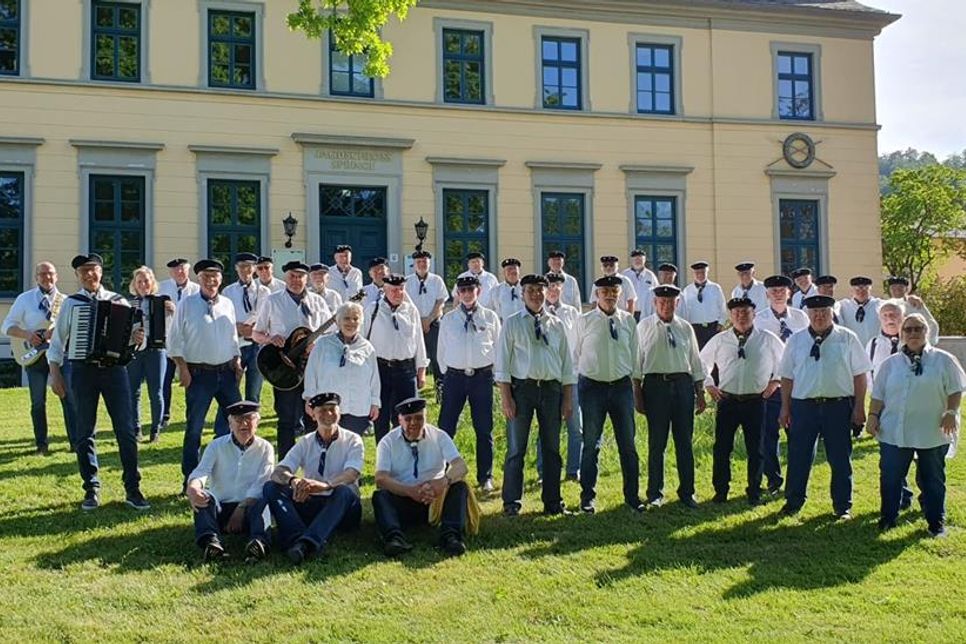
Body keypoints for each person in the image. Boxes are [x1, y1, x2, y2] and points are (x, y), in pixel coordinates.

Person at [47, 253, 149, 511]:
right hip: (82, 371)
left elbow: (135, 341)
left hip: (115, 371)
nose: (89, 275)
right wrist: (55, 373)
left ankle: (133, 488)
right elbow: (57, 342)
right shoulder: (72, 304)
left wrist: (139, 339)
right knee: (84, 432)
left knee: (126, 430)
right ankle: (91, 488)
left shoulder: (118, 301)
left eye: (93, 270)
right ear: (77, 276)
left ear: (101, 272)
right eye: (83, 271)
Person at [868, 313, 966, 536]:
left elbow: (955, 389)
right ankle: (888, 518)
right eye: (908, 329)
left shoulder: (944, 360)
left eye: (918, 329)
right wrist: (873, 416)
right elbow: (878, 394)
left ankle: (935, 522)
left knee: (932, 479)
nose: (913, 333)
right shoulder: (890, 364)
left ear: (926, 332)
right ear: (902, 333)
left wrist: (951, 412)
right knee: (891, 477)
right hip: (894, 431)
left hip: (931, 430)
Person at [778, 295, 872, 519]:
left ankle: (842, 506)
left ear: (832, 313)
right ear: (808, 314)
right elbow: (787, 377)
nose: (819, 316)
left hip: (837, 407)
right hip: (804, 407)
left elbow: (860, 375)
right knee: (798, 456)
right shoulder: (796, 340)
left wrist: (859, 407)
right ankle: (793, 501)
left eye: (824, 312)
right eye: (814, 312)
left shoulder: (847, 338)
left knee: (840, 458)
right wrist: (785, 407)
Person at [496, 274, 576, 516]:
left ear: (546, 293)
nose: (536, 294)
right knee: (516, 449)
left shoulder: (556, 324)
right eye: (530, 290)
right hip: (522, 390)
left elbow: (567, 365)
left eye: (540, 290)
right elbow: (502, 364)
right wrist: (506, 398)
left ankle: (553, 502)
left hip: (551, 390)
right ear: (522, 294)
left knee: (552, 449)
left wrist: (567, 399)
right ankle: (511, 502)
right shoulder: (512, 323)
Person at [263, 393, 364, 564]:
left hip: (342, 509)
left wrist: (326, 485)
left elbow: (352, 474)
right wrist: (294, 481)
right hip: (311, 502)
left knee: (346, 490)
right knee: (271, 487)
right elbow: (278, 471)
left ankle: (307, 543)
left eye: (332, 409)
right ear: (313, 414)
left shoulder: (353, 440)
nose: (328, 414)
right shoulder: (306, 442)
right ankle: (297, 535)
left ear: (339, 412)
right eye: (322, 410)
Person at [700, 297, 784, 505]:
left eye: (745, 312)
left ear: (754, 314)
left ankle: (754, 490)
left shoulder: (767, 338)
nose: (741, 316)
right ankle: (721, 491)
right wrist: (709, 384)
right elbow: (701, 361)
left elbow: (785, 361)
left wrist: (775, 381)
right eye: (736, 312)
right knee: (722, 448)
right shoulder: (720, 339)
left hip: (756, 401)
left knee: (757, 449)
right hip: (727, 400)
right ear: (730, 315)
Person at [168, 259, 243, 488]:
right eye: (206, 277)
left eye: (215, 276)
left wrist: (237, 360)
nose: (211, 281)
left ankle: (232, 474)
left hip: (227, 373)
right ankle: (190, 478)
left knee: (238, 423)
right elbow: (174, 339)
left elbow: (232, 336)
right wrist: (182, 368)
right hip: (199, 375)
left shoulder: (227, 303)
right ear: (199, 279)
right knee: (194, 428)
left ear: (221, 279)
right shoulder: (187, 304)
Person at [574, 275, 644, 513]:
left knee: (628, 445)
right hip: (592, 388)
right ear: (597, 295)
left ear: (619, 294)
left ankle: (632, 497)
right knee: (591, 444)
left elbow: (635, 356)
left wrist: (636, 388)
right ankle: (587, 498)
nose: (610, 296)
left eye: (614, 291)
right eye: (605, 292)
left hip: (621, 388)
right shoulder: (584, 321)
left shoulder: (628, 321)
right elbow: (575, 356)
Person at [634, 284, 706, 509]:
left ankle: (687, 492)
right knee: (657, 442)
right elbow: (636, 364)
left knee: (684, 441)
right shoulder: (643, 327)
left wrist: (700, 392)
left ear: (678, 303)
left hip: (683, 386)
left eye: (671, 302)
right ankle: (655, 492)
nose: (666, 306)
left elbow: (695, 361)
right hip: (655, 387)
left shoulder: (685, 327)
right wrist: (637, 394)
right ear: (654, 303)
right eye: (662, 302)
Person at [373, 397, 471, 556]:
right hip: (404, 498)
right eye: (408, 419)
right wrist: (409, 491)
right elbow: (380, 479)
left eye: (419, 418)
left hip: (435, 500)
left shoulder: (439, 436)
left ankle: (451, 537)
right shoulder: (387, 442)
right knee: (380, 496)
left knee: (460, 487)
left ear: (426, 417)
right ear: (399, 420)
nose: (413, 423)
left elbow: (461, 466)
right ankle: (394, 539)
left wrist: (442, 482)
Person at [253, 261, 332, 457]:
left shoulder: (318, 302)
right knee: (286, 419)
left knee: (314, 416)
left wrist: (318, 343)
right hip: (284, 367)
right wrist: (270, 339)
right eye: (292, 276)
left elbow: (331, 332)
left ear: (307, 278)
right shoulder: (272, 301)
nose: (296, 280)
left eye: (300, 276)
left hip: (311, 367)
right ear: (285, 278)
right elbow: (256, 333)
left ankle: (314, 461)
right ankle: (285, 463)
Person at [185, 401, 274, 562]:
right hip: (220, 508)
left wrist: (241, 508)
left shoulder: (266, 448)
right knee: (203, 498)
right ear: (230, 423)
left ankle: (259, 543)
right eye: (238, 420)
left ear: (257, 422)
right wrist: (193, 488)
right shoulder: (216, 446)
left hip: (249, 509)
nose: (244, 424)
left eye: (249, 419)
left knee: (263, 502)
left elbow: (263, 482)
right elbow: (201, 472)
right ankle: (211, 543)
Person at [2, 261, 75, 455]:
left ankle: (76, 444)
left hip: (60, 355)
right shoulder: (24, 299)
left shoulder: (66, 301)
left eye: (50, 273)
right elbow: (6, 326)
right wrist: (27, 335)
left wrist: (58, 333)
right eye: (42, 274)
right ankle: (41, 445)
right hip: (34, 357)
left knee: (68, 397)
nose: (47, 277)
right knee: (37, 402)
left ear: (56, 276)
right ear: (36, 278)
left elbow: (73, 328)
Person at [437, 275, 501, 492]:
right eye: (462, 291)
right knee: (446, 427)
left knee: (484, 428)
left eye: (470, 290)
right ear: (457, 293)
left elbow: (498, 347)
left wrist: (496, 375)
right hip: (455, 378)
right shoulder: (449, 319)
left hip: (481, 378)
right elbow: (441, 350)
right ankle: (443, 471)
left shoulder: (490, 317)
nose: (466, 294)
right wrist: (447, 372)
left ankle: (485, 476)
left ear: (478, 291)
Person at [754, 274, 809, 495]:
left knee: (797, 434)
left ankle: (796, 481)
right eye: (773, 291)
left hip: (798, 383)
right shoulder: (758, 319)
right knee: (769, 434)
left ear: (789, 293)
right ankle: (773, 480)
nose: (778, 294)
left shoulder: (801, 318)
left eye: (782, 290)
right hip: (771, 385)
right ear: (767, 294)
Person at [364, 273, 428, 442]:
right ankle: (383, 453)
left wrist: (421, 370)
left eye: (400, 289)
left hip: (405, 370)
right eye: (393, 290)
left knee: (408, 415)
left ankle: (406, 451)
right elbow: (363, 341)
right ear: (385, 290)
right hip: (381, 370)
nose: (397, 293)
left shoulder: (411, 310)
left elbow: (419, 341)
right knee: (381, 417)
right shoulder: (373, 309)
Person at [303, 301, 380, 435]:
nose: (351, 322)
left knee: (352, 444)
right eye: (346, 318)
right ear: (338, 321)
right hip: (327, 407)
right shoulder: (323, 344)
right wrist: (309, 398)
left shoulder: (367, 348)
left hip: (357, 407)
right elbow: (311, 372)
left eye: (355, 318)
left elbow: (374, 379)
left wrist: (375, 403)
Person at [542, 272, 582, 482]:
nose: (552, 291)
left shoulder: (572, 313)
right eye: (549, 287)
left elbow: (579, 343)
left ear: (561, 289)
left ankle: (573, 470)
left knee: (575, 426)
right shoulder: (538, 313)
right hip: (548, 376)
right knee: (547, 426)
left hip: (570, 376)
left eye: (556, 286)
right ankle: (544, 471)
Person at [222, 252, 270, 404]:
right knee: (231, 388)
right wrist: (238, 328)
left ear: (254, 269)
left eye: (249, 267)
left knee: (254, 390)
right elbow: (223, 318)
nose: (245, 270)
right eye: (242, 267)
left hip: (257, 345)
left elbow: (269, 317)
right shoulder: (228, 291)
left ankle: (252, 414)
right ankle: (229, 415)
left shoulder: (264, 291)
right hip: (237, 344)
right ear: (236, 268)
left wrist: (255, 329)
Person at [127, 266, 167, 443]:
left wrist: (170, 311)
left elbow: (173, 326)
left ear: (152, 283)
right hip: (135, 352)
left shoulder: (163, 301)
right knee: (133, 391)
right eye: (139, 282)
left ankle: (155, 429)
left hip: (156, 350)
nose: (143, 285)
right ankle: (136, 428)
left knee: (156, 392)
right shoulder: (129, 303)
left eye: (146, 281)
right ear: (134, 285)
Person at [158, 257, 199, 429]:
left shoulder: (197, 290)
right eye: (176, 270)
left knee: (191, 381)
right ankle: (164, 415)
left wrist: (177, 310)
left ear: (188, 270)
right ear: (170, 272)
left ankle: (191, 415)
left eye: (182, 269)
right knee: (164, 381)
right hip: (167, 341)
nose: (179, 272)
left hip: (189, 342)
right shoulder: (161, 288)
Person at [404, 250, 447, 393]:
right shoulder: (407, 282)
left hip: (433, 323)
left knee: (437, 357)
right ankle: (412, 388)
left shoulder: (437, 280)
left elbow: (440, 302)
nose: (422, 264)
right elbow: (405, 305)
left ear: (429, 263)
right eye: (419, 262)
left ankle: (440, 389)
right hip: (413, 325)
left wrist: (428, 320)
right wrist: (419, 321)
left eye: (424, 262)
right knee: (412, 356)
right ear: (414, 264)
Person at [679, 261, 726, 349]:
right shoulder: (687, 290)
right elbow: (684, 310)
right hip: (695, 328)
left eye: (703, 272)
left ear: (707, 272)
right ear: (693, 274)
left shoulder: (715, 288)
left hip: (712, 327)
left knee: (714, 352)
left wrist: (721, 323)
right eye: (697, 273)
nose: (700, 275)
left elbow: (722, 306)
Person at [887, 276, 939, 344]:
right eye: (893, 287)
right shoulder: (885, 305)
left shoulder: (914, 304)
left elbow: (932, 324)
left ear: (906, 289)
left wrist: (926, 344)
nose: (897, 290)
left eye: (900, 287)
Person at [837, 276, 882, 347]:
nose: (861, 292)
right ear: (852, 290)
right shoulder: (843, 306)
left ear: (870, 290)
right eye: (857, 289)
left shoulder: (879, 305)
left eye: (865, 289)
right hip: (852, 348)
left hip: (875, 348)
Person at [867, 301, 904, 383]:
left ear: (902, 317)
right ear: (880, 319)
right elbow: (868, 375)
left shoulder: (912, 342)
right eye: (885, 315)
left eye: (893, 314)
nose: (889, 318)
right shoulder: (873, 344)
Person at [623, 249, 658, 321]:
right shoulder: (625, 275)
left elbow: (656, 294)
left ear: (644, 260)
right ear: (631, 260)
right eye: (635, 259)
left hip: (646, 313)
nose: (638, 261)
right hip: (628, 312)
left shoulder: (650, 275)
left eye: (640, 259)